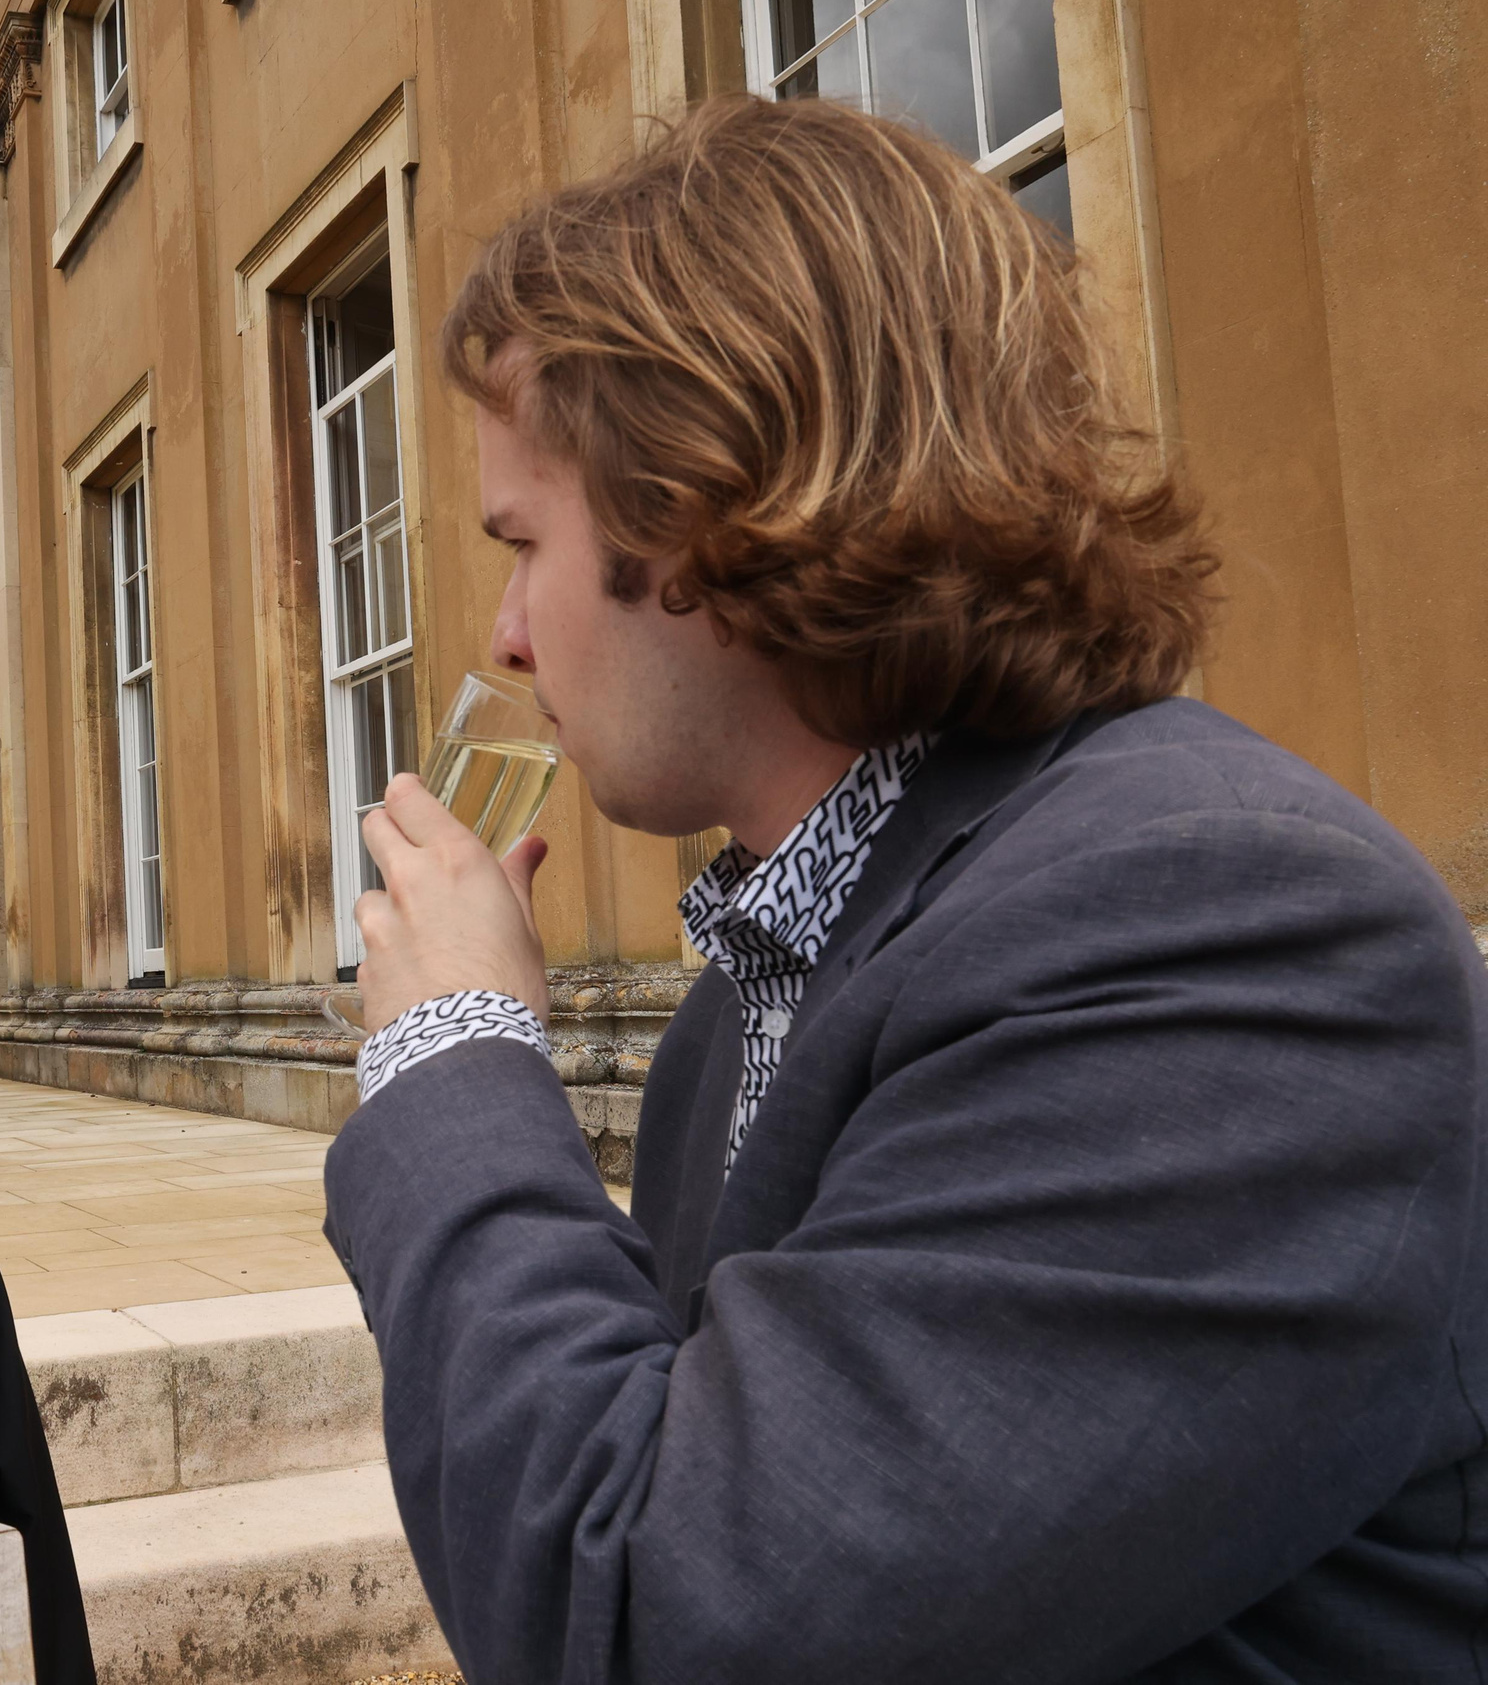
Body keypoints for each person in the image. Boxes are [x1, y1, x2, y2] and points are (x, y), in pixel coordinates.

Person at [323, 95, 1488, 1682]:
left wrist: (453, 1056)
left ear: (710, 501)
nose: (510, 637)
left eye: (522, 540)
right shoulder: (729, 1018)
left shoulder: (1223, 929)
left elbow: (664, 1614)